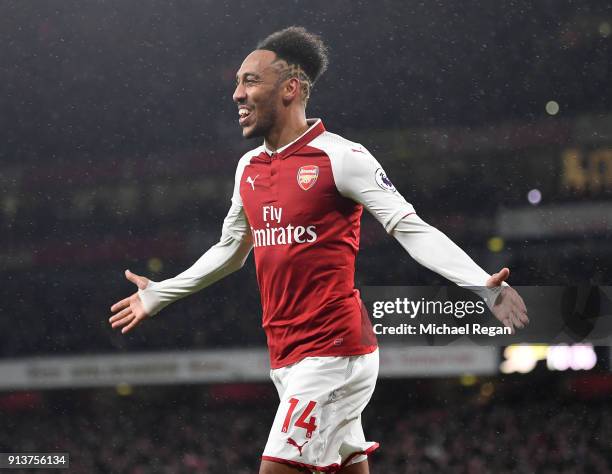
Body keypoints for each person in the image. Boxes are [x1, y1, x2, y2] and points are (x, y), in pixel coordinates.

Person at [109, 26, 529, 474]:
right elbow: (231, 249)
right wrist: (161, 292)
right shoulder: (247, 168)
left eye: (250, 81)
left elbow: (411, 229)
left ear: (290, 88)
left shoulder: (342, 157)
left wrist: (481, 284)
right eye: (236, 83)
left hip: (335, 351)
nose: (236, 94)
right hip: (286, 355)